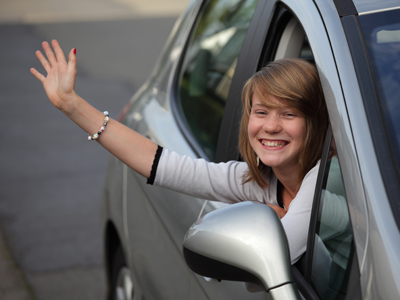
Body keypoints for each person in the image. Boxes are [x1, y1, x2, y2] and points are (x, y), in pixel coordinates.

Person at [30, 40, 328, 264]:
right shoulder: (256, 181)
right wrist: (71, 105)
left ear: (314, 122)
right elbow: (162, 165)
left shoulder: (326, 181)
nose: (271, 126)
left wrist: (267, 219)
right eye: (261, 112)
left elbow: (275, 256)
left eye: (289, 114)